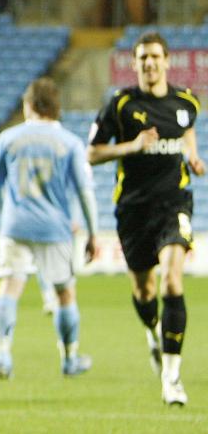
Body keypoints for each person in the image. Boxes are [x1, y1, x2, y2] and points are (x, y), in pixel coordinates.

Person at [87, 31, 203, 405]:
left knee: (171, 281)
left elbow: (186, 128)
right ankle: (153, 333)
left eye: (155, 56)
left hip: (174, 205)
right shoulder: (119, 106)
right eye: (142, 58)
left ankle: (172, 377)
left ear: (167, 61)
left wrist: (193, 156)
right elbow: (91, 154)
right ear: (135, 64)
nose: (150, 63)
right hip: (133, 210)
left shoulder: (187, 102)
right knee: (145, 290)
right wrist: (131, 146)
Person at [0, 77, 98, 380]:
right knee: (64, 294)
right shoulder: (71, 143)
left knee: (9, 287)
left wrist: (7, 213)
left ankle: (3, 355)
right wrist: (92, 233)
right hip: (54, 228)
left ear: (30, 105)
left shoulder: (7, 139)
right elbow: (85, 193)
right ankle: (69, 358)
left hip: (15, 225)